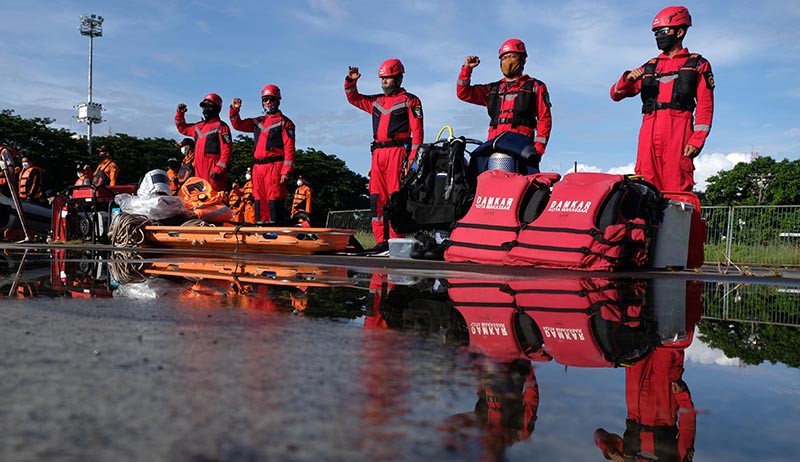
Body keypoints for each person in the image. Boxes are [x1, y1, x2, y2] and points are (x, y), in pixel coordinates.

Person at [610, 6, 714, 192]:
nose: (659, 36)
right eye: (656, 33)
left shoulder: (698, 64)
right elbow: (615, 95)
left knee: (677, 187)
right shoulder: (650, 67)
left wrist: (697, 140)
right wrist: (627, 79)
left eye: (664, 31)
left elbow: (705, 105)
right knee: (644, 186)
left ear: (680, 32)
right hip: (649, 130)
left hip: (679, 131)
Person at [345, 59, 424, 251]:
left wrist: (412, 159)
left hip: (398, 153)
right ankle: (381, 241)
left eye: (388, 79)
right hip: (378, 154)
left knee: (394, 198)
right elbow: (354, 98)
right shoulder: (376, 101)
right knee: (376, 198)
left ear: (398, 78)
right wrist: (351, 81)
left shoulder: (410, 100)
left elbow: (418, 132)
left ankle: (396, 242)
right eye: (382, 79)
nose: (384, 82)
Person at [457, 38, 552, 174]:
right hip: (493, 144)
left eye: (512, 56)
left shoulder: (536, 87)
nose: (508, 61)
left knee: (527, 183)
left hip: (521, 145)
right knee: (474, 171)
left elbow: (544, 119)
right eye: (505, 57)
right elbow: (464, 93)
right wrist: (467, 69)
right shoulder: (492, 89)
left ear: (522, 60)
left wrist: (538, 148)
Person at [229, 84, 296, 223]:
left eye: (271, 99)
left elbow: (289, 148)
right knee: (259, 199)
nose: (268, 103)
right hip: (258, 167)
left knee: (274, 197)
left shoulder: (285, 123)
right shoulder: (258, 122)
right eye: (265, 99)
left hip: (275, 165)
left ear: (278, 100)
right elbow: (238, 125)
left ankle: (276, 232)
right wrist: (235, 110)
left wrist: (286, 171)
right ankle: (262, 231)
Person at [175, 93, 233, 192]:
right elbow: (183, 128)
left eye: (209, 106)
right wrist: (180, 113)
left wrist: (218, 169)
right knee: (199, 198)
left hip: (213, 170)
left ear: (216, 108)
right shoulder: (198, 127)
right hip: (199, 169)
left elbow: (227, 150)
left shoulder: (221, 127)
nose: (206, 109)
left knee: (214, 199)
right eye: (204, 106)